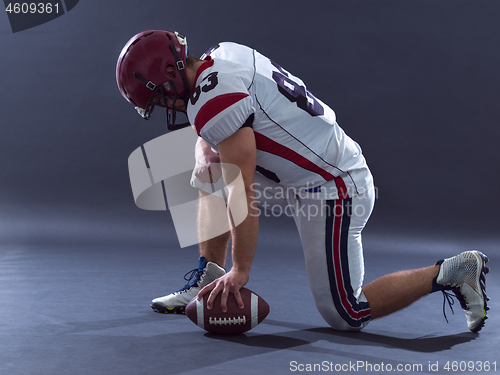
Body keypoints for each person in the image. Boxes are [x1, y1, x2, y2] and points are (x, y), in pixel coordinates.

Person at [116, 29, 490, 332]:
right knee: (212, 168)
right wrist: (204, 153)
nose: (167, 107)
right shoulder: (223, 53)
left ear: (169, 73)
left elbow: (241, 193)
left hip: (333, 184)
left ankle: (455, 271)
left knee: (346, 313)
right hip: (304, 170)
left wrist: (241, 269)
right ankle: (207, 275)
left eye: (161, 99)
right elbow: (212, 123)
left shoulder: (214, 104)